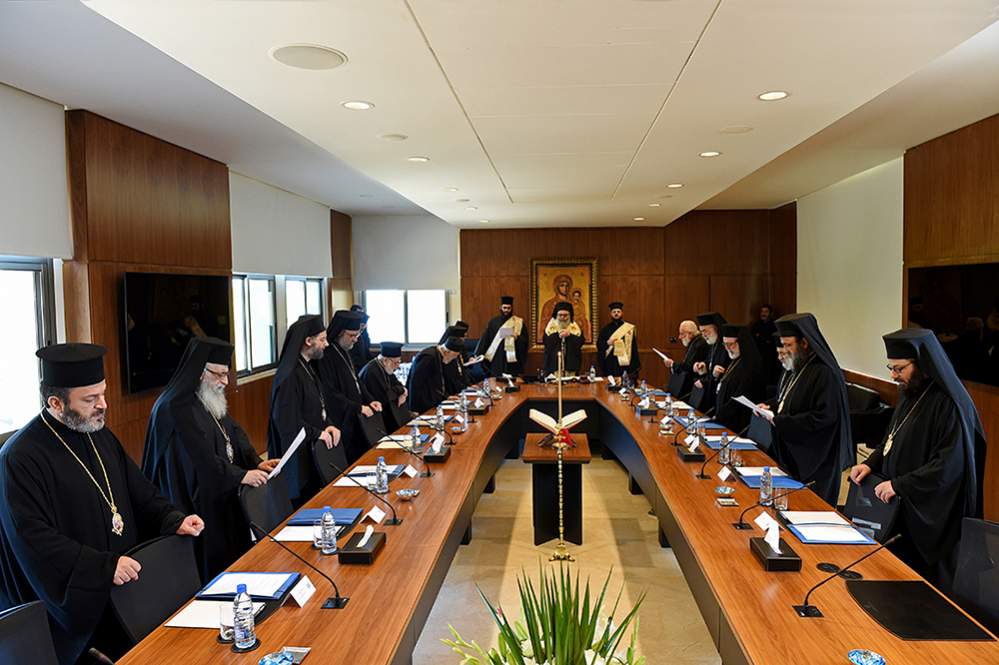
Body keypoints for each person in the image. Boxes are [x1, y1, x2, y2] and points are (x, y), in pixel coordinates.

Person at [0, 343, 204, 665]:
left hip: (125, 590)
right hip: (79, 605)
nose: (103, 405)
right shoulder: (20, 457)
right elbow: (33, 539)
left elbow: (139, 490)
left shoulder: (98, 433)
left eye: (103, 393)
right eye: (90, 399)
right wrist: (103, 567)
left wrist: (171, 518)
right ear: (56, 403)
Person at [849, 328, 986, 591]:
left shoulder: (949, 403)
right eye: (891, 368)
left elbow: (947, 466)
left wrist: (899, 485)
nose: (893, 375)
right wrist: (870, 463)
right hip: (900, 505)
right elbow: (891, 439)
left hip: (930, 510)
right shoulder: (910, 392)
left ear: (922, 363)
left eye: (899, 369)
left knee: (921, 586)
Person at [142, 337, 276, 581]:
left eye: (227, 374)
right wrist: (240, 475)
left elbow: (233, 432)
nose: (225, 381)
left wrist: (254, 461)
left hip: (218, 491)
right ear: (201, 372)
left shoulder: (206, 397)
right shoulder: (175, 407)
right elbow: (199, 459)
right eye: (220, 374)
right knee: (209, 565)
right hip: (192, 500)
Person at [756, 313, 853, 506]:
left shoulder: (824, 372)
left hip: (816, 459)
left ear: (805, 343)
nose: (785, 350)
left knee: (808, 508)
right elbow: (791, 401)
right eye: (782, 345)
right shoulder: (797, 368)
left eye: (788, 345)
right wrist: (771, 407)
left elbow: (824, 418)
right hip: (792, 453)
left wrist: (780, 421)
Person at [267, 315, 342, 505]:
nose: (326, 344)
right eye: (322, 339)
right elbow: (287, 421)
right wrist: (318, 433)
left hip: (312, 451)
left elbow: (317, 406)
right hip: (298, 458)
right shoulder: (289, 375)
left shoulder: (307, 367)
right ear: (308, 341)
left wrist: (328, 425)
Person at [315, 310, 383, 465]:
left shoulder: (344, 350)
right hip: (341, 419)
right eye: (352, 335)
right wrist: (357, 407)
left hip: (354, 414)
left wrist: (370, 400)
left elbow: (356, 380)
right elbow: (329, 392)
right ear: (340, 333)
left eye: (357, 335)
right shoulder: (326, 355)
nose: (356, 340)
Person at [713, 324, 766, 434]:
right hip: (725, 418)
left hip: (739, 422)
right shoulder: (734, 359)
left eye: (730, 344)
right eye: (725, 344)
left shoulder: (751, 365)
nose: (727, 348)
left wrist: (720, 416)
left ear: (741, 342)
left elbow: (740, 396)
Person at [359, 342, 411, 434]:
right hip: (375, 419)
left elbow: (397, 384)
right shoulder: (372, 371)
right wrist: (402, 390)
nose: (398, 366)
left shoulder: (386, 367)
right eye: (396, 362)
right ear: (385, 360)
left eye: (399, 362)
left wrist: (403, 391)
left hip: (386, 414)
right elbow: (386, 397)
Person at [408, 336, 465, 412]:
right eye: (454, 356)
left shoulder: (439, 356)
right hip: (422, 403)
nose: (454, 359)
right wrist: (415, 410)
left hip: (431, 399)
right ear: (446, 352)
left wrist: (446, 396)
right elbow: (416, 383)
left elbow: (437, 382)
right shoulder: (428, 357)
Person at [475, 296, 527, 378]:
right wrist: (478, 354)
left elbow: (525, 341)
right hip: (497, 359)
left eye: (509, 308)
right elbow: (486, 339)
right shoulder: (493, 322)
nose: (506, 310)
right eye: (504, 308)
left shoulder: (518, 322)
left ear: (512, 309)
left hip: (511, 361)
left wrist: (517, 338)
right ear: (500, 307)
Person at [692, 312, 730, 410]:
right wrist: (702, 365)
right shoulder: (713, 344)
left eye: (705, 331)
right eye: (701, 332)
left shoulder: (725, 347)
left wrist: (705, 381)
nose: (703, 335)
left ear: (716, 329)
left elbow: (723, 371)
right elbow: (710, 363)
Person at [661, 320, 708, 397]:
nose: (679, 337)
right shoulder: (694, 342)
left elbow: (688, 367)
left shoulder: (699, 344)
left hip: (694, 386)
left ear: (690, 334)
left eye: (681, 334)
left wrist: (672, 364)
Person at [596, 301, 640, 382]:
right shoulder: (605, 329)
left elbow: (633, 346)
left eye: (618, 312)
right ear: (611, 314)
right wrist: (607, 343)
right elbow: (599, 344)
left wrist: (635, 362)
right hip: (611, 362)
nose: (616, 313)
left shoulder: (628, 329)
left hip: (625, 362)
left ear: (622, 313)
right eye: (614, 312)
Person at [543, 302, 584, 377]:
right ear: (556, 315)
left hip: (571, 365)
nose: (562, 317)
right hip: (554, 365)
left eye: (565, 315)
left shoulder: (575, 328)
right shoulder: (550, 328)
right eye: (560, 315)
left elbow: (580, 343)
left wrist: (570, 336)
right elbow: (547, 343)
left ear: (570, 315)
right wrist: (557, 335)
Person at [440, 322, 472, 395]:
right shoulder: (447, 354)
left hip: (459, 389)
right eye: (463, 337)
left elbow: (461, 372)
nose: (464, 339)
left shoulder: (457, 350)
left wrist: (469, 386)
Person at [538, 274, 573, 341]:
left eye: (567, 286)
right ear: (557, 287)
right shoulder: (548, 305)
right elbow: (544, 325)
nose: (565, 288)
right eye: (562, 285)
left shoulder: (574, 303)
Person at [750, 304, 779, 383]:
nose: (763, 314)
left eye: (766, 312)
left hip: (771, 356)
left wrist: (761, 337)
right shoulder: (756, 325)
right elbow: (753, 339)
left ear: (771, 314)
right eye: (762, 311)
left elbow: (772, 340)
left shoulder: (775, 325)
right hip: (759, 354)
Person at [348, 304, 373, 372]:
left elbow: (367, 348)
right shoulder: (350, 334)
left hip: (363, 366)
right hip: (355, 368)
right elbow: (352, 358)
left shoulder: (363, 333)